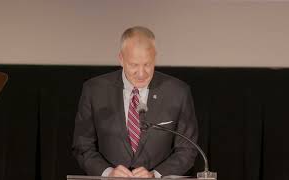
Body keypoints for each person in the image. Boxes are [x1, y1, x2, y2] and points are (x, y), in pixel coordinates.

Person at [72, 26, 198, 178]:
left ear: (155, 57)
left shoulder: (177, 92)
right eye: (134, 65)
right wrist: (108, 173)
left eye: (147, 64)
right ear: (121, 59)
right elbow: (82, 146)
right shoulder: (95, 90)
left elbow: (187, 149)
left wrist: (156, 175)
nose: (141, 73)